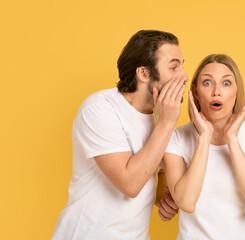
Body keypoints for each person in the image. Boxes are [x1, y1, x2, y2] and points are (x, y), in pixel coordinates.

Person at [52, 30, 188, 239]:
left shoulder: (159, 116)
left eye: (182, 66)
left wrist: (166, 198)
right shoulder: (99, 108)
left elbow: (155, 172)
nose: (184, 76)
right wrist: (168, 122)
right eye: (174, 67)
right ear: (143, 73)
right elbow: (130, 183)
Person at [164, 54, 245, 239]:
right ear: (195, 91)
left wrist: (232, 139)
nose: (216, 92)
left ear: (236, 90)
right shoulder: (176, 138)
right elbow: (186, 202)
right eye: (207, 83)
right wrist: (204, 137)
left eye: (226, 83)